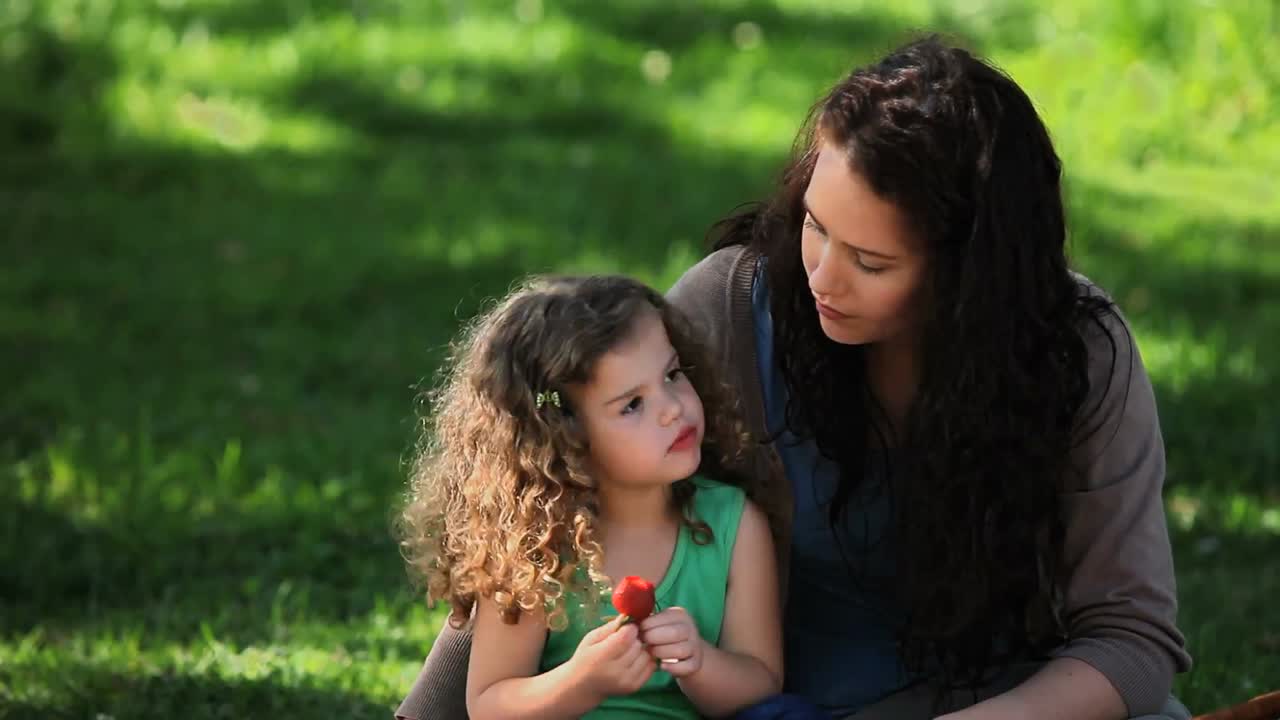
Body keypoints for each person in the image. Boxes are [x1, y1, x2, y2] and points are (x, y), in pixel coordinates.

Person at [396, 36, 1192, 720]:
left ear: (970, 279)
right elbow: (554, 481)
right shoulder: (734, 307)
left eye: (871, 261)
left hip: (1000, 699)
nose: (821, 275)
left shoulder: (1076, 357)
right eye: (814, 223)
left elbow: (1131, 637)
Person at [397, 275, 783, 719]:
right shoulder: (539, 545)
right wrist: (582, 680)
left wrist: (699, 663)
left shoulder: (734, 525)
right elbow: (489, 705)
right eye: (632, 405)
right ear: (566, 438)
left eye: (673, 375)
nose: (673, 407)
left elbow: (762, 682)